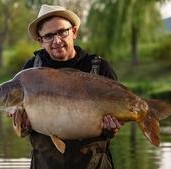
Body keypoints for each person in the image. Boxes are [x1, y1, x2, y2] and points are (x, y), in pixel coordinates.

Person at [9, 4, 124, 169]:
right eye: (48, 36)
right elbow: (21, 131)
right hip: (44, 164)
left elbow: (113, 128)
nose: (56, 41)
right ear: (40, 40)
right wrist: (22, 126)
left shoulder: (99, 68)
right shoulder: (31, 70)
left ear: (74, 32)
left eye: (62, 32)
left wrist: (111, 129)